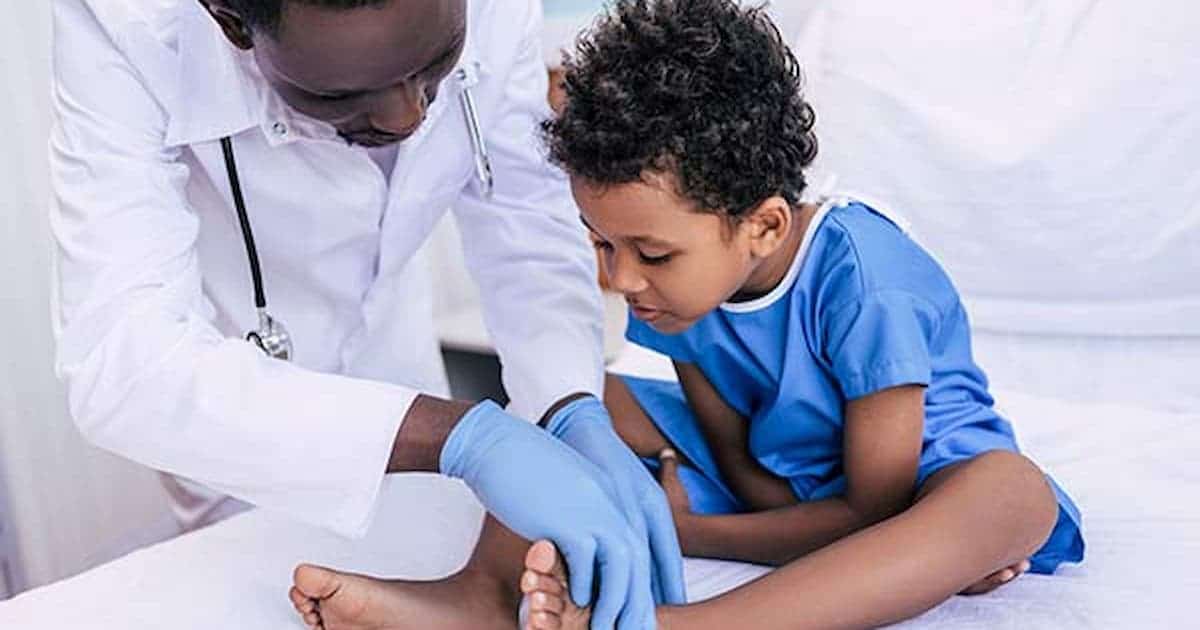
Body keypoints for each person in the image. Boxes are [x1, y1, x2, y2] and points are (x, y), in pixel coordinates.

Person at [286, 1, 1085, 628]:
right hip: (782, 475)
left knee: (1009, 494)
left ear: (764, 225)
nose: (620, 280)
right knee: (571, 407)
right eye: (601, 245)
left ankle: (675, 625)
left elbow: (871, 509)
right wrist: (636, 469)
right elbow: (737, 456)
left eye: (649, 254)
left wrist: (690, 530)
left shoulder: (867, 281)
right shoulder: (681, 290)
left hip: (911, 486)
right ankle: (476, 597)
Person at [49, 0, 684, 626]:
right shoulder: (130, 24)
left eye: (437, 62)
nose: (407, 116)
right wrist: (462, 437)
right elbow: (123, 363)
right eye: (339, 96)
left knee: (430, 538)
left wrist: (567, 402)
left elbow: (523, 216)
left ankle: (467, 599)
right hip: (231, 426)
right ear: (230, 19)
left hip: (398, 367)